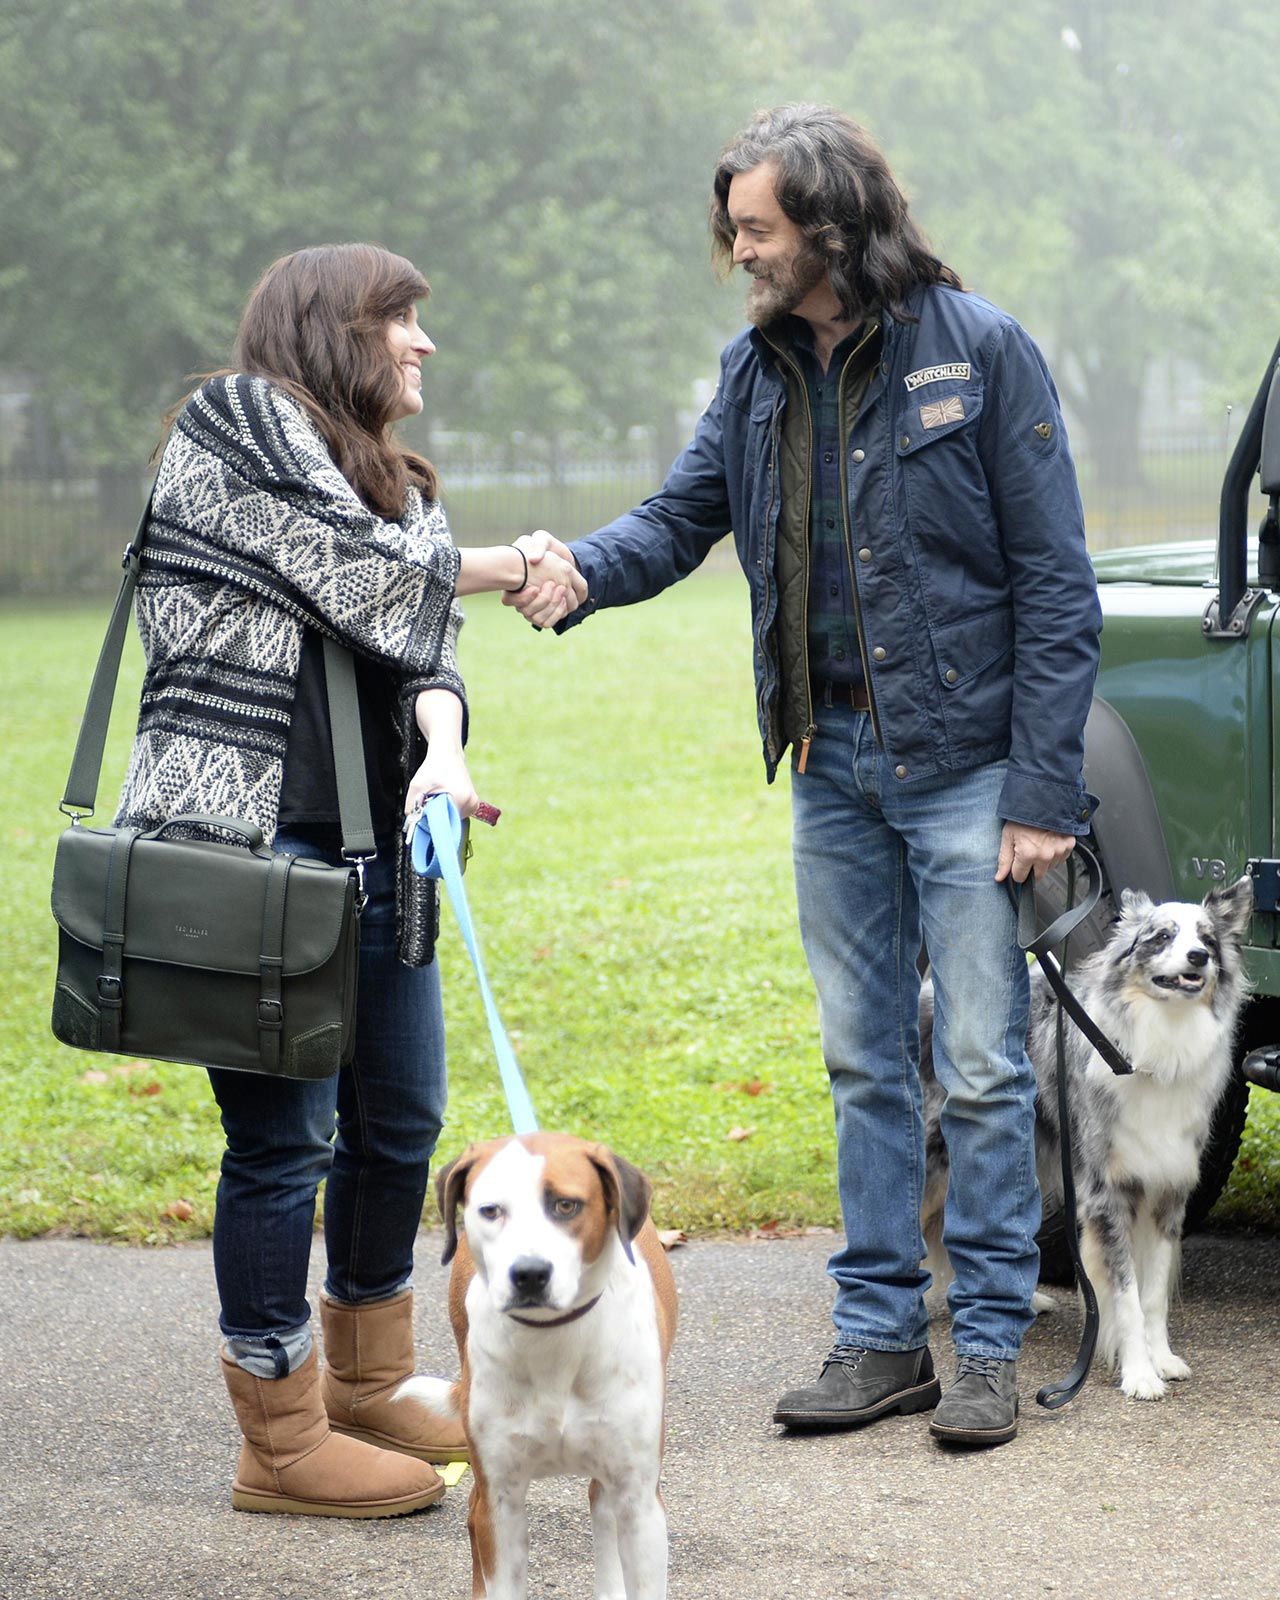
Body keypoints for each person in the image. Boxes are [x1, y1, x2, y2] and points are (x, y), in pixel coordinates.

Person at [508, 106, 1101, 1448]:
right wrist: (580, 573)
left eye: (757, 230)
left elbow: (1059, 590)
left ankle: (990, 1346)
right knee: (862, 1062)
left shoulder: (983, 351)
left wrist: (1041, 791)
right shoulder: (755, 370)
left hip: (965, 771)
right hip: (831, 766)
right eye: (733, 230)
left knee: (983, 1064)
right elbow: (679, 518)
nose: (739, 253)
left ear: (832, 224)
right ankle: (883, 1336)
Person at [117, 242, 586, 1516]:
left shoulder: (396, 479)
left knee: (397, 1125)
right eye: (399, 321)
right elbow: (364, 578)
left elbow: (420, 641)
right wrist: (516, 559)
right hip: (250, 847)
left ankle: (366, 1382)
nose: (422, 344)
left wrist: (442, 746)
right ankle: (275, 1435)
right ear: (333, 331)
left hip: (380, 853)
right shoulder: (236, 425)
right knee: (283, 1147)